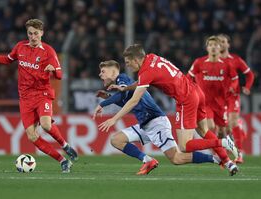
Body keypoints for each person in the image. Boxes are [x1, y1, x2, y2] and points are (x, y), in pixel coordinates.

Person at [99, 44, 239, 176]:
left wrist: (114, 118)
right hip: (196, 91)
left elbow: (134, 100)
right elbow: (143, 81)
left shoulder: (146, 72)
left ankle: (223, 142)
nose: (127, 65)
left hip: (186, 100)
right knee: (204, 131)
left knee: (184, 146)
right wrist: (126, 88)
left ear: (136, 60)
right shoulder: (152, 58)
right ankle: (227, 162)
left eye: (128, 62)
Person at [0, 19, 77, 173]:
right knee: (32, 137)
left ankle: (65, 145)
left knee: (46, 125)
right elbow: (7, 60)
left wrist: (53, 70)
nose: (32, 36)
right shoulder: (20, 47)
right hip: (25, 98)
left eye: (35, 33)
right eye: (30, 33)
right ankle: (62, 161)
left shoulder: (48, 51)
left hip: (42, 94)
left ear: (42, 33)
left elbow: (60, 75)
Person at [188, 36, 238, 139]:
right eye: (210, 45)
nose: (213, 47)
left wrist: (233, 87)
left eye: (216, 45)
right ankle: (212, 150)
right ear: (207, 48)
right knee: (210, 126)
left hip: (221, 103)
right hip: (205, 102)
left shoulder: (227, 65)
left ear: (220, 48)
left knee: (223, 131)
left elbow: (235, 78)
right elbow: (188, 77)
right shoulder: (199, 62)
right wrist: (191, 90)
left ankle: (222, 151)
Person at [217, 34, 255, 163]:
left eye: (223, 42)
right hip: (218, 99)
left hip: (233, 97)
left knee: (232, 122)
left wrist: (247, 87)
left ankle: (239, 154)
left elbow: (249, 74)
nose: (220, 44)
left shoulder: (236, 60)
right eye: (218, 42)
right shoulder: (213, 61)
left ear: (228, 44)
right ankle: (239, 129)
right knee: (223, 130)